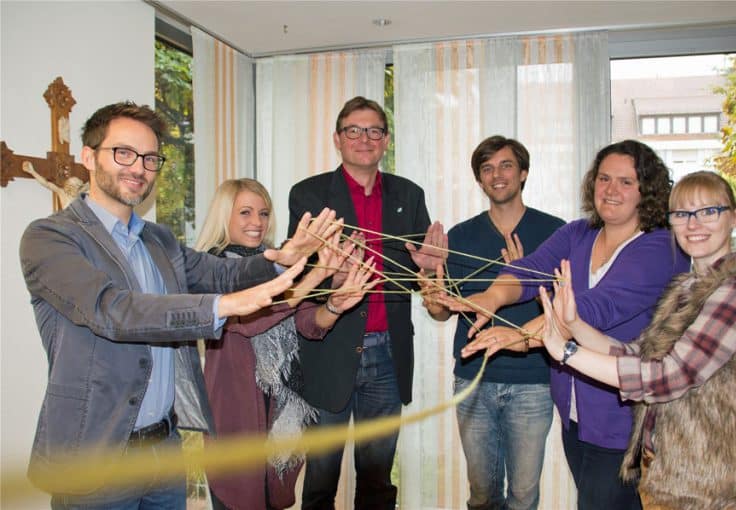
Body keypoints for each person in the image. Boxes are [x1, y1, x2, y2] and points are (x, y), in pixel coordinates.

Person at [19, 101, 340, 510]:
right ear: (88, 156)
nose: (139, 168)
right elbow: (112, 310)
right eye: (123, 153)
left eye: (150, 158)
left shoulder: (159, 240)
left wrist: (280, 259)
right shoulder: (50, 237)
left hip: (164, 450)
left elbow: (220, 273)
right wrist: (222, 306)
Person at [452, 140, 690, 510]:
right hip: (576, 414)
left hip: (622, 417)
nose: (611, 190)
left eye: (626, 182)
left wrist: (523, 336)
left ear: (648, 190)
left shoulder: (662, 247)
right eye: (604, 178)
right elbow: (530, 269)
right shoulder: (579, 233)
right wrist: (492, 297)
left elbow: (596, 307)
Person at [537, 171, 736, 510]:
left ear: (734, 217)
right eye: (682, 213)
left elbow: (668, 375)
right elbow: (638, 353)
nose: (694, 224)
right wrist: (575, 325)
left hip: (715, 485)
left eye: (709, 211)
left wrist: (566, 352)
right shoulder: (687, 287)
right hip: (669, 470)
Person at [287, 96, 447, 510]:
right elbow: (295, 275)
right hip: (329, 350)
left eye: (374, 131)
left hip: (388, 355)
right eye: (354, 131)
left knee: (378, 479)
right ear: (337, 139)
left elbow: (418, 275)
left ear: (386, 140)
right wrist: (331, 278)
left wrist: (429, 271)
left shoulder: (409, 194)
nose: (364, 139)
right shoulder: (308, 195)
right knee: (321, 477)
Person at [197, 178, 378, 510]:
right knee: (239, 495)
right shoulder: (211, 269)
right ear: (224, 215)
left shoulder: (278, 266)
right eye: (245, 212)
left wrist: (335, 303)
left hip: (281, 405)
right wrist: (313, 275)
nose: (257, 222)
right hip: (236, 409)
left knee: (275, 497)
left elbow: (309, 323)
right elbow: (251, 320)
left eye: (264, 213)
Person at [419, 136, 564, 510]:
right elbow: (444, 311)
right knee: (482, 494)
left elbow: (567, 312)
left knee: (523, 496)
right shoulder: (460, 235)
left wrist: (524, 278)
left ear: (523, 173)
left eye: (506, 165)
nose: (497, 175)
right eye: (487, 168)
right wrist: (432, 298)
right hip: (473, 379)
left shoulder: (556, 232)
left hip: (533, 380)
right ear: (479, 180)